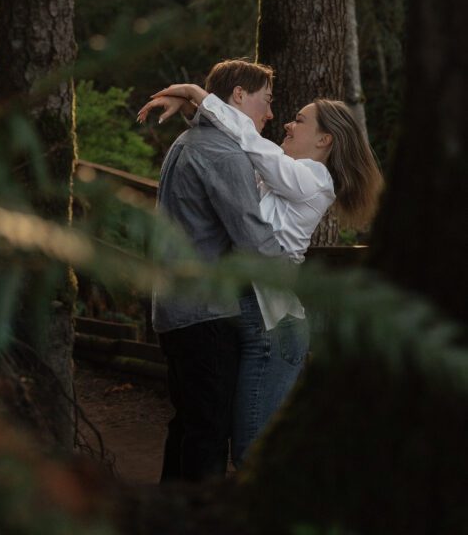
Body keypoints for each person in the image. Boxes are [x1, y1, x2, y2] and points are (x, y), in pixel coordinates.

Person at [140, 74, 383, 465]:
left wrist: (198, 96)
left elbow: (250, 144)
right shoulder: (281, 177)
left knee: (253, 451)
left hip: (275, 324)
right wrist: (195, 110)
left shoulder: (313, 179)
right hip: (255, 315)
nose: (286, 122)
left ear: (325, 141)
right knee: (231, 438)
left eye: (300, 120)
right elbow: (234, 149)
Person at [149, 59, 287, 482]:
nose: (270, 114)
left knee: (189, 426)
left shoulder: (187, 143)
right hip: (204, 311)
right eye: (265, 101)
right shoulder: (223, 154)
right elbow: (254, 238)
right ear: (238, 96)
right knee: (209, 433)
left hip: (173, 310)